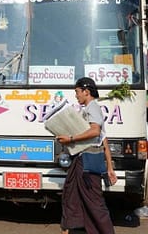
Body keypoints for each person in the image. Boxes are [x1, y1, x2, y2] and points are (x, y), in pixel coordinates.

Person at [56, 77, 117, 234]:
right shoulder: (88, 109)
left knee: (94, 203)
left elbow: (95, 131)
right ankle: (73, 229)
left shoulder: (92, 108)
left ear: (86, 91)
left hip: (88, 161)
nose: (76, 95)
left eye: (77, 92)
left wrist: (71, 139)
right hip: (82, 159)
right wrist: (110, 167)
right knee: (72, 194)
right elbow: (104, 140)